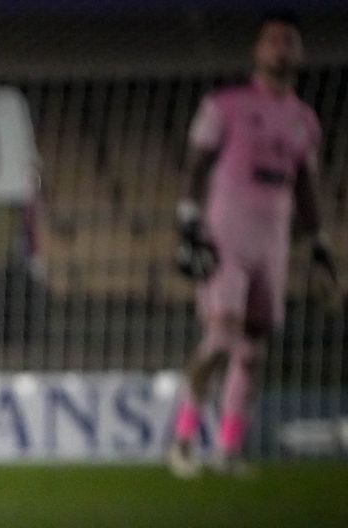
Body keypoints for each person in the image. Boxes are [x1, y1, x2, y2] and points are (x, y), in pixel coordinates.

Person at [168, 9, 336, 477]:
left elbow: (305, 185)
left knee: (253, 351)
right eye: (273, 39)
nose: (281, 47)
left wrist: (319, 242)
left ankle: (228, 450)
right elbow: (197, 162)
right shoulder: (226, 104)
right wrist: (187, 217)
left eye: (289, 40)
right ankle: (182, 442)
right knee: (221, 336)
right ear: (257, 51)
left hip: (274, 240)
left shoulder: (304, 120)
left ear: (300, 53)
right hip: (227, 235)